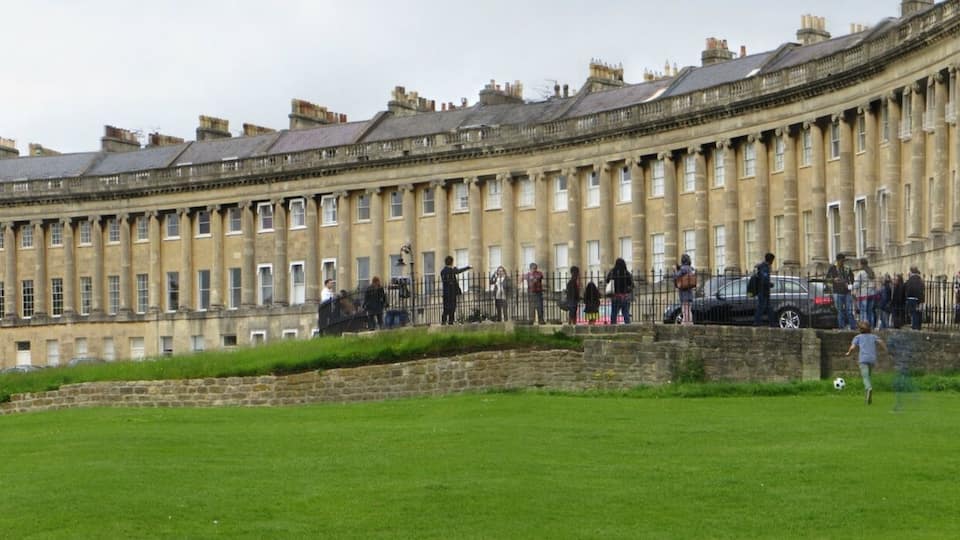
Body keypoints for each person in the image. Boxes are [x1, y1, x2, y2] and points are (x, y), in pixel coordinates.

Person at [845, 320, 886, 405]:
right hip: (872, 359)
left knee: (865, 377)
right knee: (868, 377)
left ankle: (869, 388)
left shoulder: (858, 337)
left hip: (863, 359)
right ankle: (867, 398)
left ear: (860, 329)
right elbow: (881, 342)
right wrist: (886, 349)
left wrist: (848, 352)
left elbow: (852, 347)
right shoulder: (873, 336)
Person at [826, 253, 856, 330]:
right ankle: (841, 327)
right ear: (838, 260)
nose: (842, 262)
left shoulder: (847, 268)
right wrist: (833, 280)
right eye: (841, 261)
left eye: (843, 261)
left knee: (849, 310)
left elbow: (852, 278)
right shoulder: (832, 268)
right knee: (840, 311)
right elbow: (827, 279)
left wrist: (849, 284)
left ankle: (853, 327)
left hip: (847, 292)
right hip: (837, 292)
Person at [440, 256, 471, 325]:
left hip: (446, 293)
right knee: (452, 307)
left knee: (447, 308)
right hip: (451, 292)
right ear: (451, 262)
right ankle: (450, 321)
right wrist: (468, 267)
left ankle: (444, 321)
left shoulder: (443, 271)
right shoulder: (451, 270)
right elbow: (459, 271)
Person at [605, 258, 633, 325]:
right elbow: (631, 284)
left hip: (615, 296)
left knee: (614, 313)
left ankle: (613, 328)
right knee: (626, 313)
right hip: (624, 296)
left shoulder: (612, 272)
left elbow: (607, 281)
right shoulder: (626, 272)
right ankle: (628, 327)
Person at [852, 257, 876, 328]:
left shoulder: (861, 273)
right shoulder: (871, 271)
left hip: (863, 294)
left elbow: (856, 284)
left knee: (863, 311)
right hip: (871, 294)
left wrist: (850, 287)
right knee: (870, 311)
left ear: (861, 264)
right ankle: (871, 326)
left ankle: (864, 327)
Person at [753, 252, 775, 327]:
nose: (772, 262)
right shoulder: (764, 267)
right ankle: (757, 322)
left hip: (764, 290)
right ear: (771, 260)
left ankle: (772, 322)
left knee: (768, 307)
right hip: (763, 291)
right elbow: (764, 279)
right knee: (761, 307)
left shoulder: (763, 267)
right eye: (772, 260)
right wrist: (770, 284)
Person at [674, 254, 695, 326]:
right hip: (689, 293)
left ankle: (686, 323)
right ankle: (690, 322)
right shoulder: (690, 268)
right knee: (688, 309)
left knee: (685, 309)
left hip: (684, 293)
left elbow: (676, 276)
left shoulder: (683, 269)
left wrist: (676, 270)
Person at [904, 265, 925, 330]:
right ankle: (918, 327)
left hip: (911, 299)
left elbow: (906, 288)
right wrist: (921, 301)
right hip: (917, 299)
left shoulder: (910, 280)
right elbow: (921, 291)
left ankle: (914, 327)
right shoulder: (920, 280)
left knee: (913, 314)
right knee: (918, 314)